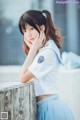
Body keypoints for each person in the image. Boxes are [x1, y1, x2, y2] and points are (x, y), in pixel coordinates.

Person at [18, 10, 74, 120]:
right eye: (24, 31)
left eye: (32, 28)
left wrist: (32, 50)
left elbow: (22, 77)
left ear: (42, 28)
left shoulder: (47, 53)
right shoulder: (47, 49)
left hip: (50, 109)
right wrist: (34, 49)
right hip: (49, 106)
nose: (28, 34)